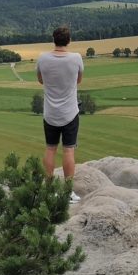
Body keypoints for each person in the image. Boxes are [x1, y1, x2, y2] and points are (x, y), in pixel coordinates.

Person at [36, 25, 84, 203]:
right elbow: (79, 79)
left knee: (50, 149)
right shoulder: (76, 58)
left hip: (50, 112)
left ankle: (49, 190)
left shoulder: (42, 58)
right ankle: (68, 192)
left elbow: (40, 80)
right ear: (69, 40)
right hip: (70, 112)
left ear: (53, 39)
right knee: (69, 150)